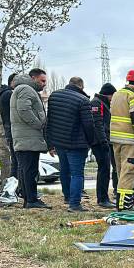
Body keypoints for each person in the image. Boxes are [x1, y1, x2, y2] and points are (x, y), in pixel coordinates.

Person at [46, 76, 95, 212]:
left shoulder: (54, 96)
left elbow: (49, 121)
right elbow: (88, 125)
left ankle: (67, 197)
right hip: (77, 144)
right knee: (77, 174)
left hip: (59, 142)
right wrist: (91, 142)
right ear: (81, 87)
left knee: (64, 170)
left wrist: (50, 143)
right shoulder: (83, 100)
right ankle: (74, 204)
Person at [10, 68, 50, 209]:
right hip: (28, 139)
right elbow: (24, 110)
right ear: (33, 78)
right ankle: (31, 200)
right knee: (29, 170)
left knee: (27, 170)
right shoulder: (26, 90)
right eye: (42, 80)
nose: (44, 84)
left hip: (27, 138)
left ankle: (30, 199)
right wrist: (39, 124)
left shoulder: (23, 89)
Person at [109, 69, 134, 210]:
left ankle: (122, 203)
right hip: (130, 139)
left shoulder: (117, 94)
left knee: (121, 171)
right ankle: (124, 206)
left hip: (116, 138)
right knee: (129, 171)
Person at [90, 83, 117, 208]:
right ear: (109, 94)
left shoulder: (102, 102)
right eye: (113, 96)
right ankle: (102, 198)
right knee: (104, 169)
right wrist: (103, 141)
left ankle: (104, 197)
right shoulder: (97, 103)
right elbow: (98, 123)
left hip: (103, 140)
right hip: (100, 142)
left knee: (105, 169)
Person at [0, 73, 18, 190]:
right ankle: (15, 188)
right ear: (13, 81)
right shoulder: (9, 94)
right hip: (13, 131)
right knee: (17, 162)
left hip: (10, 130)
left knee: (16, 161)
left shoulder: (5, 94)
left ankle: (15, 188)